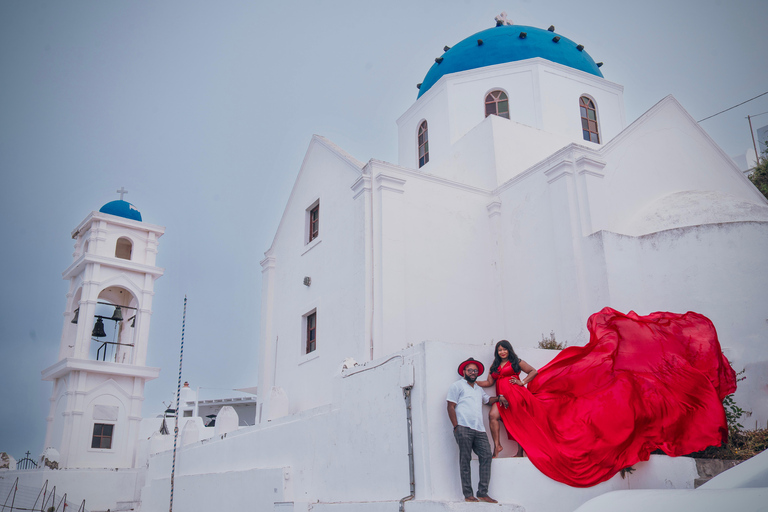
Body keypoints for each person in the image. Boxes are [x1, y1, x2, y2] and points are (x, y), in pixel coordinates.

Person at [446, 357, 506, 503]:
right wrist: (456, 427)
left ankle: (482, 492)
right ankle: (468, 494)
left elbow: (487, 400)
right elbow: (450, 406)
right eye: (470, 370)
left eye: (475, 370)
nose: (473, 372)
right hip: (463, 428)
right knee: (465, 460)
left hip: (479, 430)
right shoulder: (457, 386)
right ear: (464, 372)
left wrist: (498, 397)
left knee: (486, 456)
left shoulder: (478, 389)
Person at [476, 340, 537, 457]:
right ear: (497, 352)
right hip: (502, 398)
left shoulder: (516, 362)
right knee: (492, 415)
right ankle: (497, 445)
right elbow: (489, 382)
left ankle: (520, 452)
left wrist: (522, 382)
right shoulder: (494, 365)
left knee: (518, 422)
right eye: (499, 350)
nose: (502, 352)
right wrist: (474, 382)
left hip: (516, 395)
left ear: (509, 350)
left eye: (504, 349)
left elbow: (533, 371)